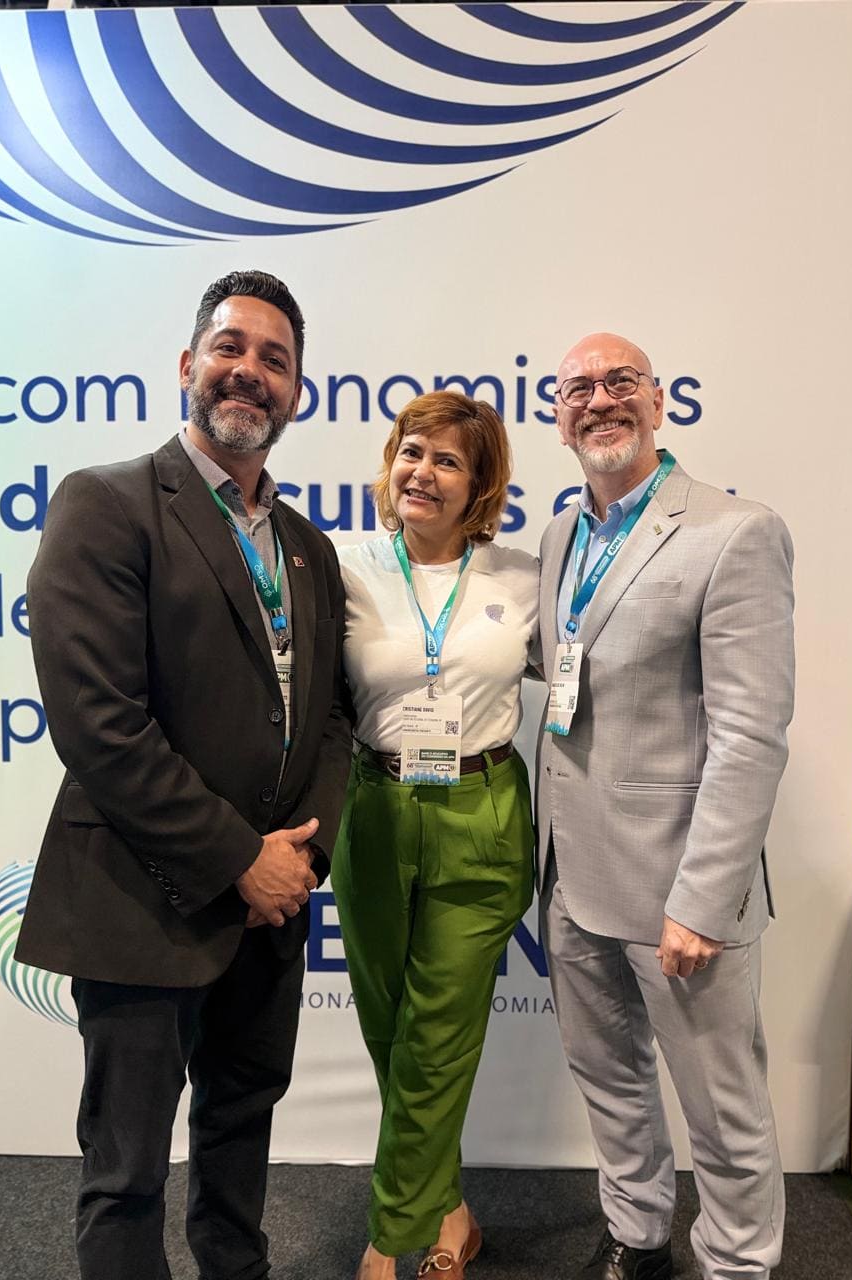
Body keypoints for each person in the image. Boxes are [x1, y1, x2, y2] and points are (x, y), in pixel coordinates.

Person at [15, 270, 352, 1280]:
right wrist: (239, 858)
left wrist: (300, 860)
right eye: (230, 347)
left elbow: (331, 718)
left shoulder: (307, 546)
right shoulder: (108, 503)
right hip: (143, 899)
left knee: (240, 1140)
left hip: (270, 908)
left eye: (275, 360)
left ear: (297, 392)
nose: (250, 371)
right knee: (125, 1171)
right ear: (187, 364)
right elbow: (100, 725)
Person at [536, 333, 794, 1280]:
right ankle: (637, 1237)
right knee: (610, 1080)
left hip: (680, 889)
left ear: (657, 402)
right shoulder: (561, 536)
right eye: (578, 388)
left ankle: (738, 1264)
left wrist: (705, 899)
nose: (599, 400)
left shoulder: (735, 531)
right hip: (571, 875)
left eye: (620, 382)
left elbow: (751, 735)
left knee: (722, 1108)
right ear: (559, 416)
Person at [332, 391, 537, 1280]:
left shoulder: (524, 578)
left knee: (437, 1034)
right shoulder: (340, 567)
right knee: (391, 1028)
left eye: (447, 460)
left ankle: (388, 1241)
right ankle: (450, 1211)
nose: (422, 472)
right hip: (374, 810)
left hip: (480, 815)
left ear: (478, 486)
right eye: (411, 452)